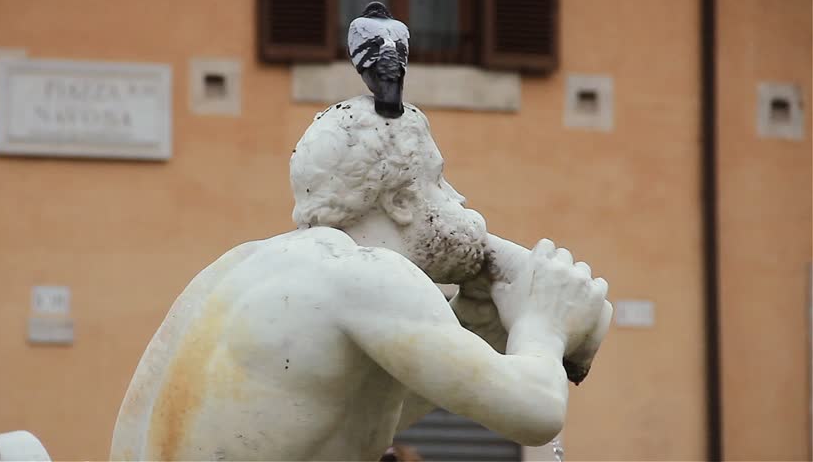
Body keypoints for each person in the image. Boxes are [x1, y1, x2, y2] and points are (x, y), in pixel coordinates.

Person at [110, 96, 613, 461]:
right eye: (440, 181)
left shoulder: (249, 265)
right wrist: (545, 324)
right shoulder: (369, 274)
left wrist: (476, 325)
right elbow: (536, 413)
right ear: (399, 201)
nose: (458, 199)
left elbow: (346, 416)